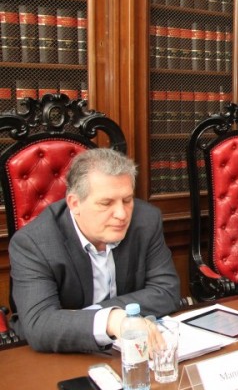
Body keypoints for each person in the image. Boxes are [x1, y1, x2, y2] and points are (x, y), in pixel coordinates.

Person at [9, 148, 180, 353]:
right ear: (75, 203)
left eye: (127, 200)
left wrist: (108, 316)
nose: (121, 214)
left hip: (129, 348)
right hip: (60, 355)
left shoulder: (146, 220)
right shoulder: (34, 243)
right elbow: (39, 323)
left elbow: (166, 291)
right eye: (106, 203)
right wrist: (110, 320)